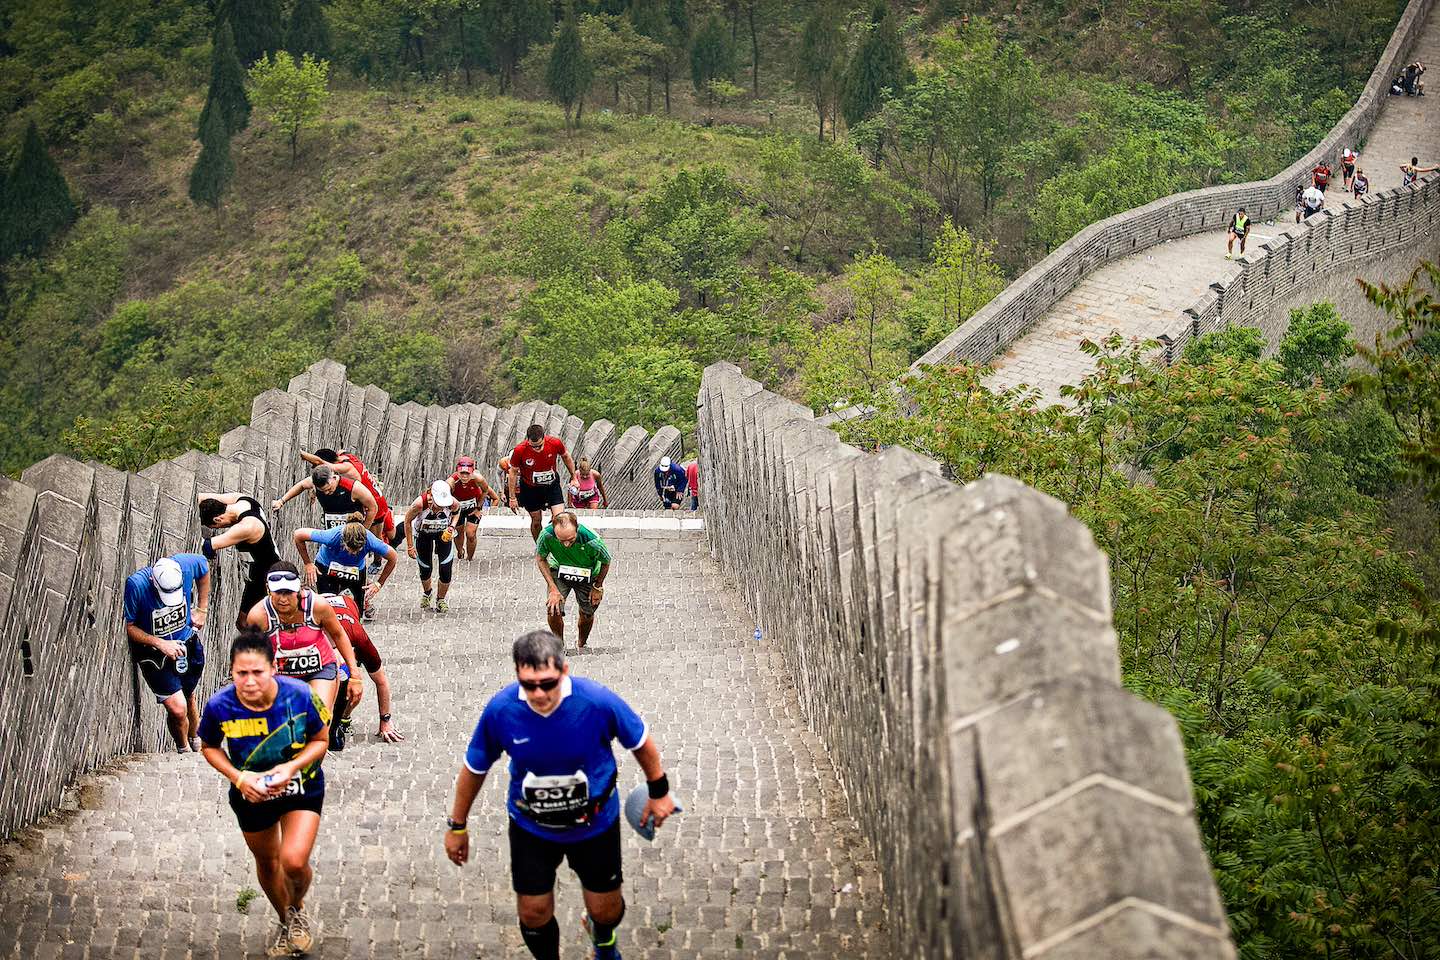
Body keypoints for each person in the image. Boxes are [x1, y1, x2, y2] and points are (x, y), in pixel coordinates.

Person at [444, 630, 677, 960]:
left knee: (606, 911)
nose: (539, 694)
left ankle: (604, 939)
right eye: (529, 685)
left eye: (548, 683)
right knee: (533, 913)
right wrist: (458, 826)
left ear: (564, 671)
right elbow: (474, 768)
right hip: (531, 827)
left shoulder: (596, 702)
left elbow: (641, 743)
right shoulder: (501, 710)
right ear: (517, 676)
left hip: (595, 825)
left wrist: (659, 793)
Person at [198, 630, 330, 958]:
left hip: (301, 786)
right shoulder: (219, 706)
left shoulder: (299, 695)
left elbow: (321, 740)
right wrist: (238, 777)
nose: (250, 681)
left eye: (257, 672)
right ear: (231, 672)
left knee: (294, 862)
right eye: (241, 673)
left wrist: (292, 767)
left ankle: (296, 908)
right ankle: (285, 917)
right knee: (268, 862)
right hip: (252, 794)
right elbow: (209, 747)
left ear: (273, 669)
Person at [245, 564, 362, 748]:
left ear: (299, 589)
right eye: (278, 593)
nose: (283, 599)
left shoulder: (318, 606)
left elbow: (339, 635)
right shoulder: (258, 616)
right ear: (268, 590)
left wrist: (355, 675)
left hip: (320, 667)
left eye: (289, 592)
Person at [124, 554, 211, 752]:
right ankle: (183, 752)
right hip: (155, 656)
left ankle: (195, 740)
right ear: (153, 582)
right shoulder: (136, 585)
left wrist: (202, 609)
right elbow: (129, 627)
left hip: (187, 645)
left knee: (188, 696)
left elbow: (204, 567)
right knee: (178, 709)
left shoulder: (185, 566)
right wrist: (160, 643)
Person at [320, 591, 404, 744]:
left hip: (348, 607)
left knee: (353, 685)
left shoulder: (361, 640)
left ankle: (344, 717)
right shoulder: (312, 631)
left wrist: (385, 720)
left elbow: (381, 681)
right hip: (323, 607)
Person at [199, 493, 280, 630]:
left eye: (215, 527)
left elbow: (208, 546)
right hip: (254, 580)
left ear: (218, 520)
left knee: (258, 624)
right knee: (242, 624)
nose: (219, 529)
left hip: (267, 579)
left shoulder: (246, 527)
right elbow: (200, 496)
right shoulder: (243, 501)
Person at [293, 520, 398, 621]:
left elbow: (393, 557)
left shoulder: (370, 540)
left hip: (355, 570)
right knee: (327, 605)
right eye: (350, 549)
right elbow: (298, 535)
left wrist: (378, 584)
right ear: (343, 542)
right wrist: (308, 563)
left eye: (358, 550)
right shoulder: (332, 536)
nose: (353, 553)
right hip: (327, 566)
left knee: (358, 608)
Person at [535, 511, 611, 650]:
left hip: (588, 574)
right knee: (553, 608)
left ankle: (582, 643)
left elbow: (606, 561)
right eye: (561, 540)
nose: (566, 544)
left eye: (571, 539)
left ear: (577, 529)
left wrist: (597, 587)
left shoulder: (592, 541)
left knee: (588, 612)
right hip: (559, 569)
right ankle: (559, 644)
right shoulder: (546, 535)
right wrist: (552, 588)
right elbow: (540, 558)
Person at [302, 448, 401, 549]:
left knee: (378, 538)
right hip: (373, 497)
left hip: (375, 502)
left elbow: (319, 461)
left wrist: (302, 454)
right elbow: (340, 451)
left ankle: (378, 561)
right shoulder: (345, 457)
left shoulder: (345, 467)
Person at [509, 424, 577, 542]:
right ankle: (540, 545)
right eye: (533, 446)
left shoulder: (554, 443)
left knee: (559, 518)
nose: (537, 449)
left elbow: (566, 456)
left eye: (539, 446)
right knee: (536, 521)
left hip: (551, 485)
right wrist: (512, 497)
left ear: (544, 438)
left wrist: (574, 477)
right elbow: (513, 472)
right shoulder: (520, 450)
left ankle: (558, 547)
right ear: (528, 440)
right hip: (530, 488)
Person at [405, 480, 460, 613]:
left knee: (446, 569)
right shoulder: (420, 504)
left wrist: (452, 526)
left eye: (443, 505)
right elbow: (407, 521)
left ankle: (441, 599)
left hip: (443, 534)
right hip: (423, 536)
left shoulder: (453, 502)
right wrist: (410, 546)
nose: (441, 508)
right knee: (425, 567)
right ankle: (427, 592)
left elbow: (457, 512)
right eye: (439, 505)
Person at [274, 464, 378, 533]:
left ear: (332, 477)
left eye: (329, 489)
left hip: (353, 530)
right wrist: (281, 501)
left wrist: (363, 531)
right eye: (323, 491)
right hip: (330, 530)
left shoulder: (354, 488)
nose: (327, 493)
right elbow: (301, 485)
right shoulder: (315, 482)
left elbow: (373, 508)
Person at [448, 457, 502, 561]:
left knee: (471, 534)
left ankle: (470, 558)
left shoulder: (478, 479)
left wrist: (479, 508)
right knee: (458, 533)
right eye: (462, 473)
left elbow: (486, 490)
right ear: (457, 471)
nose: (464, 476)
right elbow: (444, 494)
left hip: (472, 507)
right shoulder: (451, 481)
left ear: (472, 472)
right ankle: (460, 551)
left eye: (467, 474)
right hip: (457, 509)